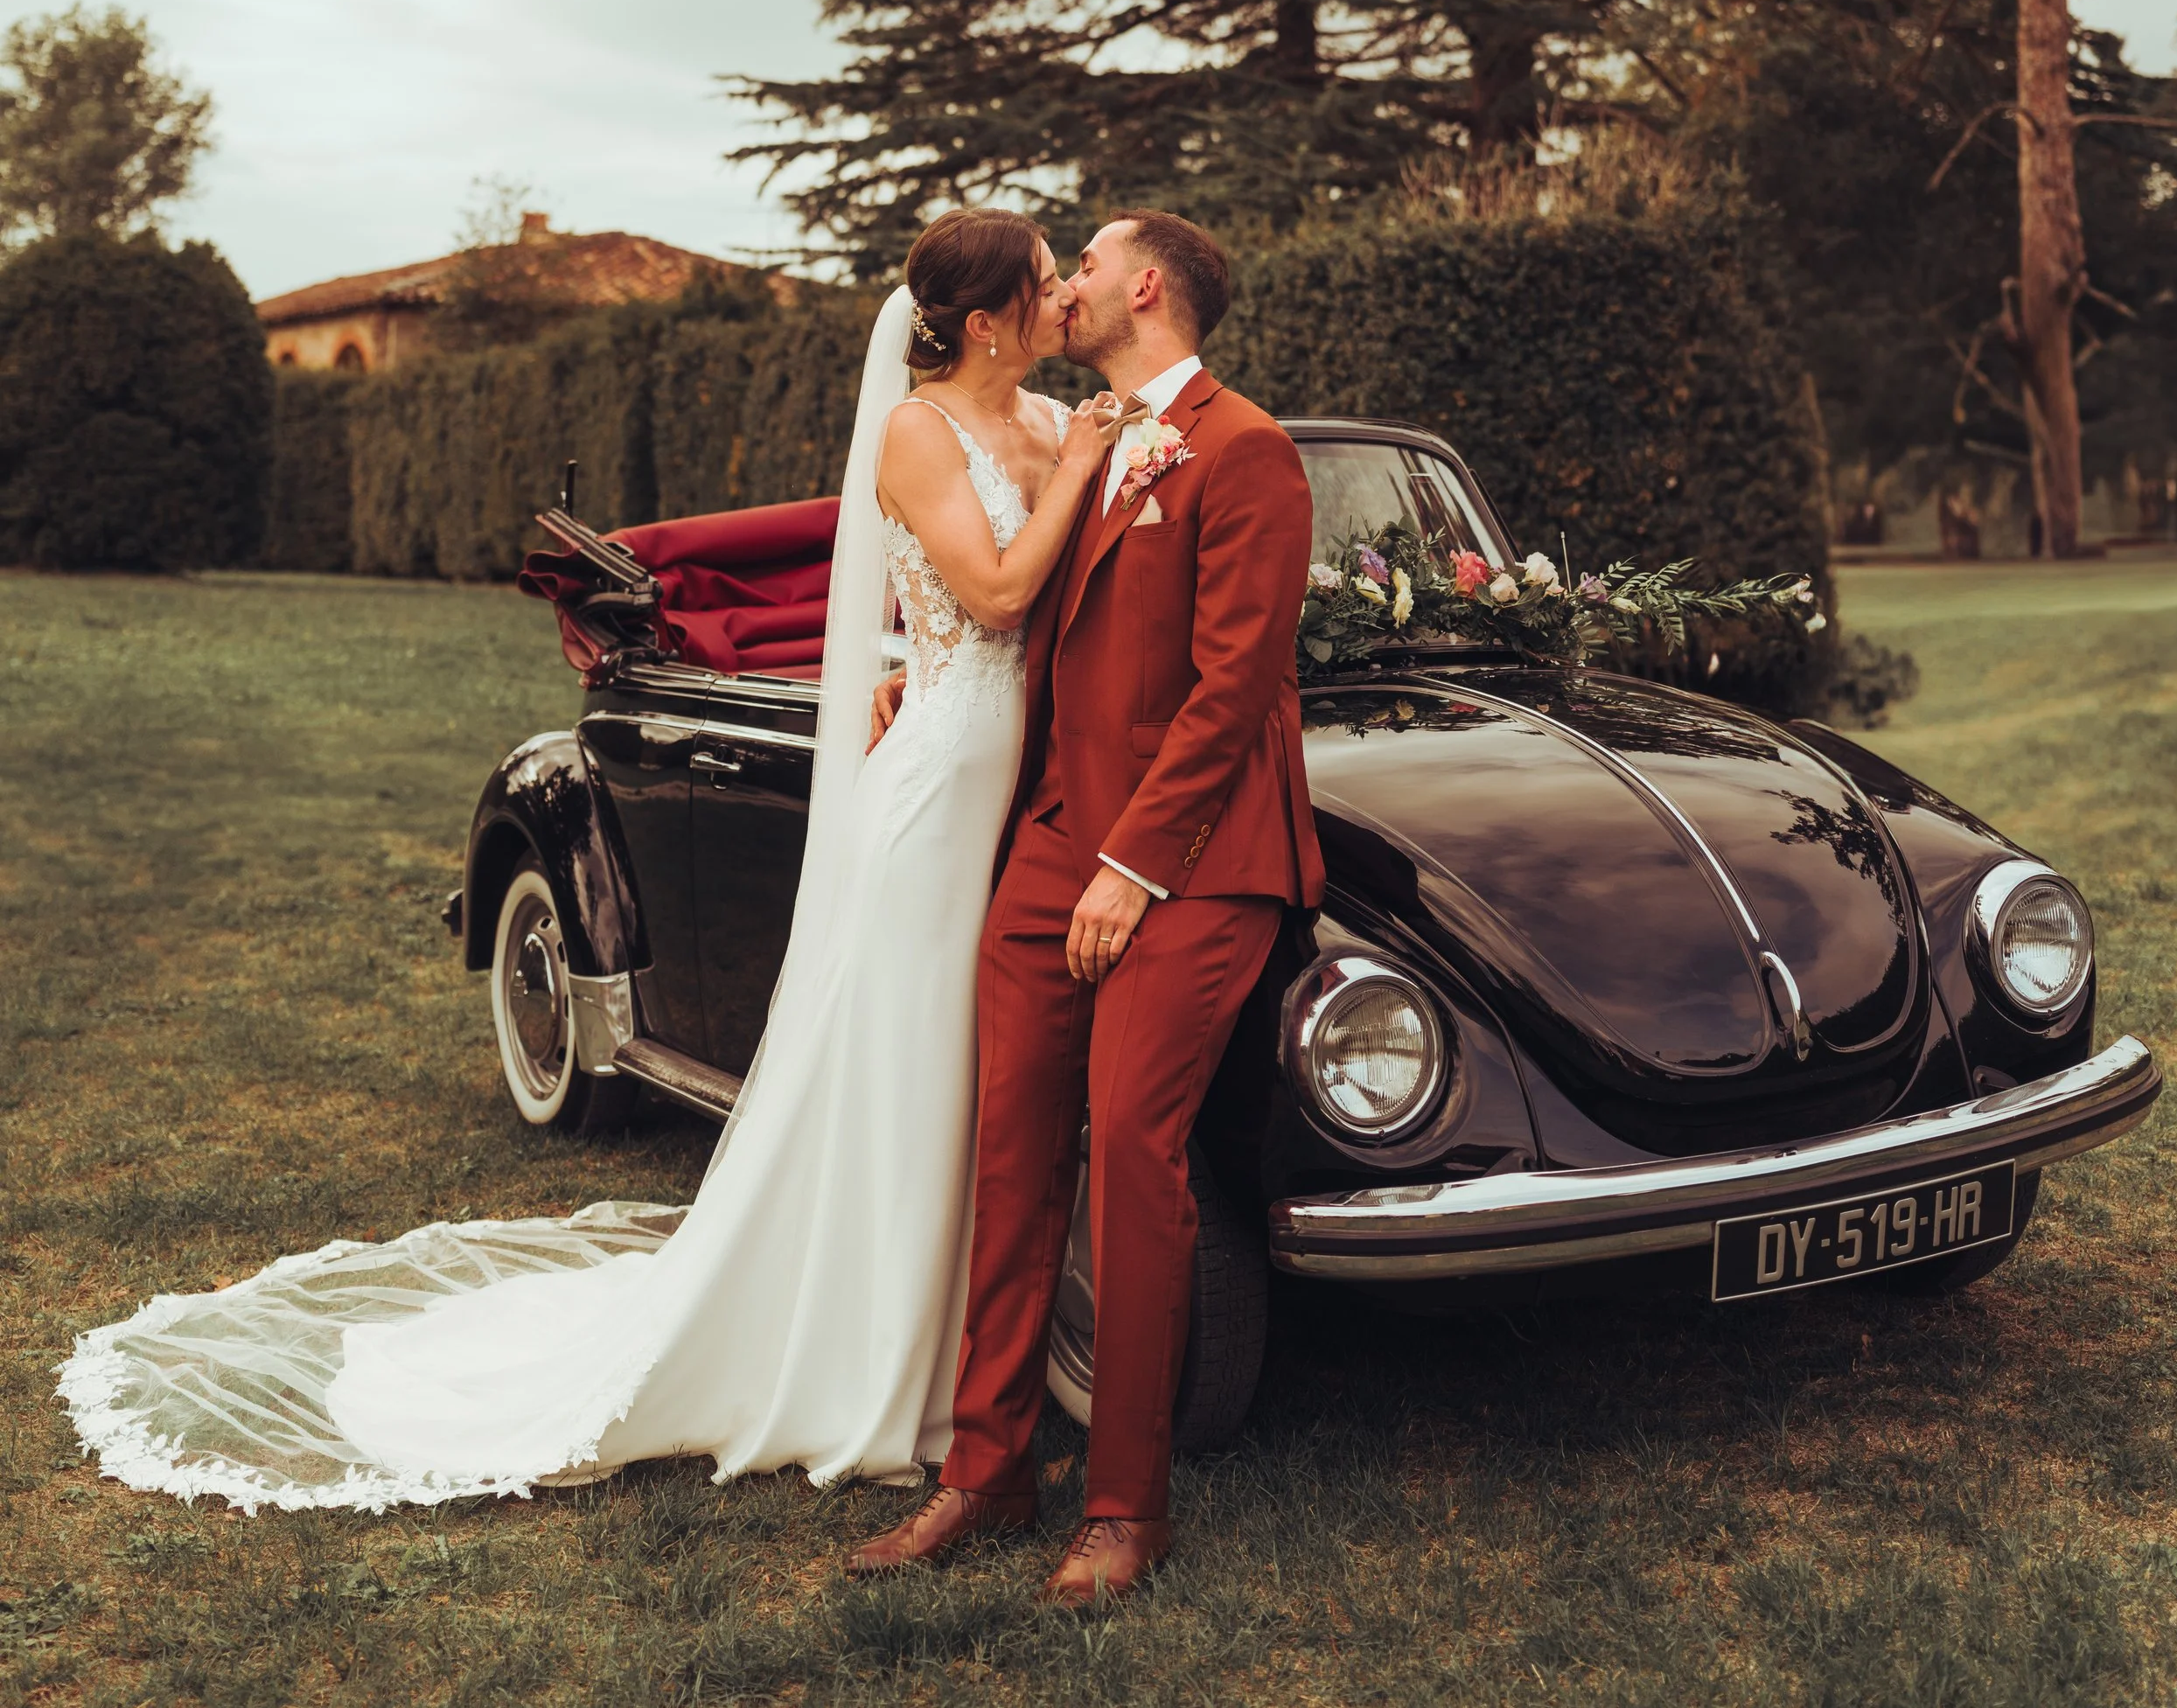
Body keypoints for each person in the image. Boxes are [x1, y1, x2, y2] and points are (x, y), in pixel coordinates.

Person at [58, 209, 1119, 1510]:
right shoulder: (920, 429)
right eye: (1049, 277)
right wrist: (1077, 483)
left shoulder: (1060, 422)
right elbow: (999, 592)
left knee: (971, 1062)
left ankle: (976, 1342)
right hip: (937, 790)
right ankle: (870, 1355)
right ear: (992, 315)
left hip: (1006, 764)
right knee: (902, 1049)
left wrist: (1077, 474)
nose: (1067, 291)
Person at [850, 210, 1323, 1607]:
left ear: (1149, 286)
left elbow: (1235, 686)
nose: (1066, 288)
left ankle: (1126, 1503)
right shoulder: (1086, 429)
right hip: (1054, 834)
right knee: (1009, 1146)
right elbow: (1003, 596)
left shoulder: (1248, 450)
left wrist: (1135, 866)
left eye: (1090, 263)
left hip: (1198, 853)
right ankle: (985, 1469)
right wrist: (912, 674)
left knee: (1129, 1144)